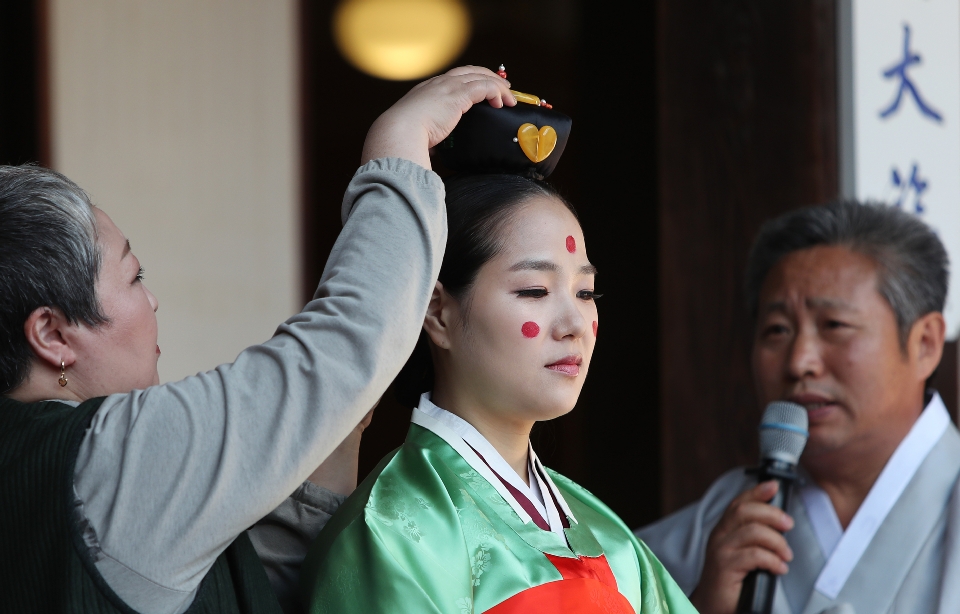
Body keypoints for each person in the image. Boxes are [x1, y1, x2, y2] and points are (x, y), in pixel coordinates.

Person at [0, 66, 517, 614]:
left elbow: (239, 585)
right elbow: (345, 342)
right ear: (53, 334)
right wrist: (400, 141)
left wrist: (330, 435)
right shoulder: (108, 457)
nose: (151, 302)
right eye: (133, 277)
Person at [300, 90, 697, 613]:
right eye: (534, 291)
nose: (574, 323)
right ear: (438, 313)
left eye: (585, 292)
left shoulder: (611, 537)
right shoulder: (397, 531)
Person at [636, 201, 960, 614]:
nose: (799, 361)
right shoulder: (705, 534)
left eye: (834, 326)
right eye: (777, 330)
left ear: (925, 344)